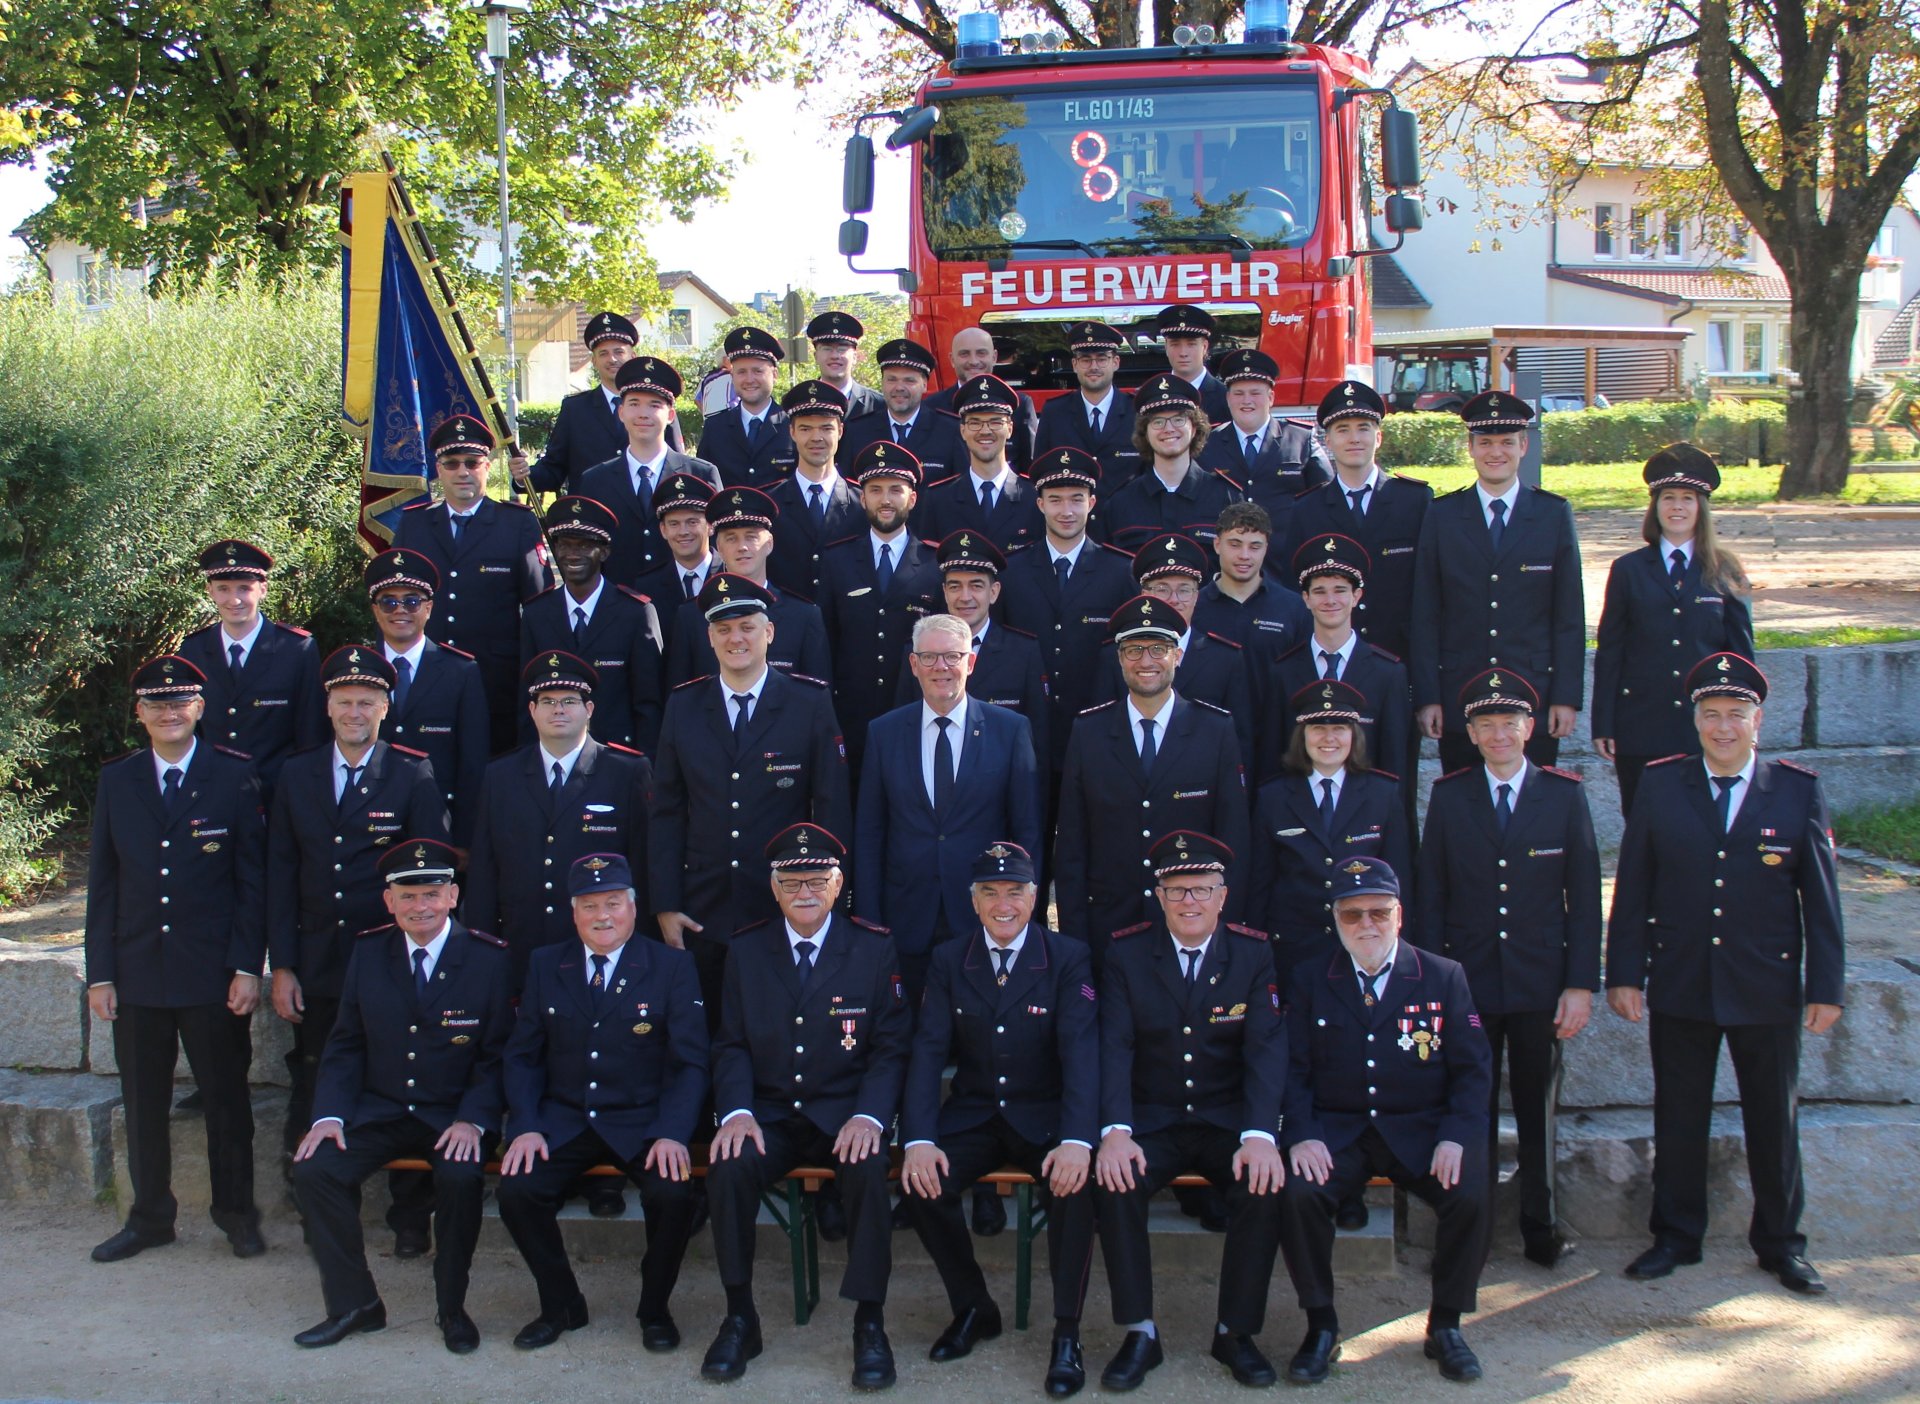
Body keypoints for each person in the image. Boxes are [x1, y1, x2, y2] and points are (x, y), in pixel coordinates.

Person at [1606, 652, 1844, 1296]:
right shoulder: (1661, 785)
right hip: (1682, 977)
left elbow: (1821, 902)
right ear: (1695, 721)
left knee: (1774, 1119)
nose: (1722, 727)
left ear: (1757, 720)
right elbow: (1634, 887)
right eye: (1710, 715)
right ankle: (1676, 1237)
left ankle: (1781, 1244)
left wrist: (1825, 987)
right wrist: (1623, 973)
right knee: (1678, 1115)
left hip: (1766, 985)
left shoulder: (1796, 790)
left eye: (1735, 715)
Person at [701, 826, 912, 1388]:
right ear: (774, 888)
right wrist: (736, 1111)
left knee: (868, 1169)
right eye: (792, 881)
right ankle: (740, 1315)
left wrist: (870, 1115)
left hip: (843, 1113)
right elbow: (731, 1044)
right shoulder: (746, 950)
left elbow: (890, 1046)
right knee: (727, 1168)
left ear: (838, 885)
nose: (805, 891)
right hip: (769, 1113)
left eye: (817, 879)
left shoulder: (872, 947)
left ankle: (870, 1323)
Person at [288, 839, 514, 1354]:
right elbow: (345, 1044)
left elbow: (497, 1054)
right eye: (408, 896)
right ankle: (355, 1304)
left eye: (432, 894)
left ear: (453, 896)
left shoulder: (488, 959)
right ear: (389, 901)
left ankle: (451, 1308)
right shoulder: (370, 952)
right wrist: (329, 1117)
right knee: (315, 1169)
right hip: (383, 1108)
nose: (421, 907)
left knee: (459, 1177)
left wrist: (475, 1121)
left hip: (451, 1115)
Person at [1276, 857, 1494, 1386]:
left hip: (1420, 1130)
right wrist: (1301, 1132)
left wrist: (1456, 1138)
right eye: (1352, 915)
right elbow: (1292, 1068)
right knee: (1300, 1195)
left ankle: (1446, 1325)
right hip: (1339, 1132)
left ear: (1400, 915)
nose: (1366, 924)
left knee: (1469, 1192)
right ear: (1335, 920)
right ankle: (1321, 1325)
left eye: (1378, 912)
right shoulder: (1310, 977)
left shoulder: (1442, 975)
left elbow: (1472, 1071)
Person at [1414, 667, 1601, 1267]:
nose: (1499, 734)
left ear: (1530, 729)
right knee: (1470, 1105)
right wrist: (1433, 982)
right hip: (1467, 982)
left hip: (1540, 982)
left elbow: (1583, 901)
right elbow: (1432, 896)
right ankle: (1473, 1226)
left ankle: (1540, 1225)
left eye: (1510, 722)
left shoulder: (1564, 794)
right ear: (1470, 732)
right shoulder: (1449, 795)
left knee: (1537, 1107)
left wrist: (1578, 985)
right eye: (1486, 723)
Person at [85, 655, 267, 1263]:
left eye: (180, 702)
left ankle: (236, 1214)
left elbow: (251, 882)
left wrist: (247, 966)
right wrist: (101, 974)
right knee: (142, 1104)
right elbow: (104, 885)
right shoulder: (118, 780)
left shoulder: (234, 776)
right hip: (136, 972)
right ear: (139, 714)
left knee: (226, 1102)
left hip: (212, 974)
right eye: (156, 704)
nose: (169, 711)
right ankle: (150, 1217)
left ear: (200, 709)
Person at [1092, 830, 1288, 1391]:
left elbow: (1265, 1049)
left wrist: (1259, 1134)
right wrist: (1115, 1131)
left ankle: (1235, 1331)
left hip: (1225, 1119)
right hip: (1151, 1119)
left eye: (1202, 889)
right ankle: (1140, 1333)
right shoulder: (1128, 952)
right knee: (1116, 1182)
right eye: (1176, 891)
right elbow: (1115, 1046)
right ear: (1158, 896)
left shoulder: (1252, 953)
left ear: (1223, 896)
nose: (1190, 902)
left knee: (1263, 1184)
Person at [900, 841, 1098, 1397]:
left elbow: (1083, 1054)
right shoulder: (948, 958)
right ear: (974, 900)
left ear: (1034, 899)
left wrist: (1079, 1140)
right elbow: (927, 1051)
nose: (1003, 904)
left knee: (1077, 1190)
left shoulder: (1068, 957)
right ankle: (973, 1306)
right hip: (975, 1114)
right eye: (991, 892)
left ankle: (1066, 1332)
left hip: (1045, 1118)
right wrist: (917, 1137)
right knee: (921, 1184)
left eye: (1015, 892)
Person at [495, 852, 708, 1351]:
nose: (603, 916)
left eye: (613, 902)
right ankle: (561, 1304)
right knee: (517, 1191)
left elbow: (690, 1062)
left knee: (672, 1194)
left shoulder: (672, 967)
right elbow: (522, 1056)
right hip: (565, 1118)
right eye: (590, 906)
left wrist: (673, 1131)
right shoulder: (547, 963)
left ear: (634, 908)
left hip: (642, 1121)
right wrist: (524, 1124)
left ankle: (654, 1307)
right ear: (574, 913)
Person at [267, 648, 449, 1195]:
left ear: (385, 707)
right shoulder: (295, 774)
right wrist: (283, 965)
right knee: (316, 1068)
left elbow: (430, 875)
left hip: (393, 957)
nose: (354, 712)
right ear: (327, 706)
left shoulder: (411, 771)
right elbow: (281, 873)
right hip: (318, 957)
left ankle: (410, 1212)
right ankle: (310, 1194)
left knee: (404, 1078)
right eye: (344, 701)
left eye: (366, 702)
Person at [650, 574, 853, 1023]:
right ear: (709, 636)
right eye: (723, 629)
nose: (735, 638)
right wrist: (666, 904)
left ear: (770, 633)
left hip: (783, 905)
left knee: (779, 1031)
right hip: (704, 909)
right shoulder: (684, 706)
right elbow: (665, 812)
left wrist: (828, 901)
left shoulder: (808, 702)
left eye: (746, 626)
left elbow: (831, 806)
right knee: (706, 1033)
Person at [855, 612, 1043, 1005]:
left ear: (970, 662)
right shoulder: (883, 732)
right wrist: (869, 918)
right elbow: (870, 832)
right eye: (929, 657)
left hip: (984, 914)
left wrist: (1021, 908)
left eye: (952, 657)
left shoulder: (1010, 730)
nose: (941, 667)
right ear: (913, 665)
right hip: (905, 913)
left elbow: (1027, 830)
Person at [1054, 595, 1249, 972]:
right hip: (1109, 923)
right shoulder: (1089, 731)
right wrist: (1074, 937)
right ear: (1119, 658)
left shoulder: (1215, 730)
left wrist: (1225, 926)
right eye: (1134, 649)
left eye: (1158, 649)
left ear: (1177, 656)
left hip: (1190, 925)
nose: (1146, 661)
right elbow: (1073, 847)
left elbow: (1232, 835)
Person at [1411, 390, 1585, 772]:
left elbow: (1569, 615)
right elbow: (1425, 613)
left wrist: (1566, 698)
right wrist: (1427, 697)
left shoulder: (1552, 514)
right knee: (1463, 807)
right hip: (1459, 695)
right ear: (1470, 448)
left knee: (1535, 813)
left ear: (1523, 445)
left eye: (1507, 441)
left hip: (1534, 695)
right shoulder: (1442, 515)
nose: (1496, 452)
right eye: (1485, 442)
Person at [462, 651, 653, 987]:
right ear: (532, 710)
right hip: (521, 943)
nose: (559, 709)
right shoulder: (500, 776)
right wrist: (482, 945)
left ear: (589, 710)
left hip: (602, 946)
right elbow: (484, 870)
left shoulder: (627, 772)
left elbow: (643, 861)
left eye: (569, 700)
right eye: (547, 701)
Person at [1593, 444, 1755, 816]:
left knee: (1703, 822)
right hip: (1640, 723)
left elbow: (1742, 655)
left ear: (1701, 508)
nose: (1677, 507)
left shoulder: (1725, 570)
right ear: (1655, 506)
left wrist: (1742, 720)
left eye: (1688, 498)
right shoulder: (1628, 570)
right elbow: (1611, 651)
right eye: (1668, 497)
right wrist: (1604, 723)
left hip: (1706, 727)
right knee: (1643, 819)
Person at [1000, 448, 1138, 842]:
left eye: (1076, 499)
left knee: (1095, 845)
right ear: (1039, 503)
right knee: (1028, 843)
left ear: (1092, 503)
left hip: (1097, 733)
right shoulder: (1013, 571)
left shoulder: (1120, 571)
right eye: (1056, 499)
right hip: (1027, 733)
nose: (1066, 510)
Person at [392, 414, 551, 753]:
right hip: (428, 676)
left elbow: (540, 606)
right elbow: (394, 602)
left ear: (488, 466)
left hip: (496, 679)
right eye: (451, 463)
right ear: (438, 469)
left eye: (472, 462)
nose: (462, 472)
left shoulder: (517, 524)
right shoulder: (414, 525)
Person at [1248, 679, 1412, 976]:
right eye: (1318, 728)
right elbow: (1259, 882)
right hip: (1293, 948)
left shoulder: (1382, 794)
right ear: (1303, 735)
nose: (1329, 738)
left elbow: (1401, 879)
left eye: (1340, 728)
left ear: (1354, 735)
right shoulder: (1273, 796)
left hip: (1364, 947)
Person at [815, 441, 942, 786]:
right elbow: (824, 638)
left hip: (914, 710)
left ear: (912, 499)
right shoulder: (838, 560)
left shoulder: (935, 564)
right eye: (875, 490)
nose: (885, 500)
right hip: (851, 713)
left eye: (895, 490)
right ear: (862, 498)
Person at [1282, 381, 1432, 661]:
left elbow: (1429, 591)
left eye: (1363, 428)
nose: (1354, 438)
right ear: (1327, 441)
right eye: (1343, 430)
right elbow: (1296, 591)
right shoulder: (1306, 509)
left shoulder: (1415, 501)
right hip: (1331, 658)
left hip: (1400, 658)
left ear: (1378, 437)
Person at [1089, 532, 1257, 770]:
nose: (1174, 600)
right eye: (1162, 589)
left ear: (1197, 596)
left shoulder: (1225, 658)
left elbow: (1241, 746)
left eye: (1184, 590)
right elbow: (1101, 734)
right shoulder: (1114, 656)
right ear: (1144, 594)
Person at [1265, 533, 1413, 799]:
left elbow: (1397, 765)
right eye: (1320, 591)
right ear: (1306, 599)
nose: (1330, 600)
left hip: (1368, 814)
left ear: (1357, 596)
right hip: (1299, 810)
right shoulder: (1283, 672)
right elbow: (1273, 758)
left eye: (1340, 590)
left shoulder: (1388, 675)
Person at [364, 549, 490, 855]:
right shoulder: (358, 670)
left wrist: (464, 837)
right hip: (367, 821)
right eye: (389, 601)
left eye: (411, 601)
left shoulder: (461, 671)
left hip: (437, 820)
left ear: (429, 608)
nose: (400, 610)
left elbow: (473, 763)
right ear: (375, 609)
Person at [519, 495, 667, 753]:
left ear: (605, 551)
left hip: (619, 758)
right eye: (565, 545)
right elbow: (526, 698)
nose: (573, 554)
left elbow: (649, 703)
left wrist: (647, 767)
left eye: (585, 545)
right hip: (553, 757)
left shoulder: (635, 613)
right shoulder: (536, 613)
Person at [891, 530, 1050, 769]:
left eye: (976, 586)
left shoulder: (1023, 652)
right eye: (955, 586)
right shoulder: (918, 650)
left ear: (993, 592)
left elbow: (1037, 742)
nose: (965, 597)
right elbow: (904, 732)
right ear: (944, 592)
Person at [177, 538, 325, 793]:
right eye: (223, 588)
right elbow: (191, 731)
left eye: (244, 588)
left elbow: (311, 733)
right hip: (213, 792)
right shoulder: (194, 650)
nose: (234, 600)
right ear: (210, 591)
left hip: (276, 793)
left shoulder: (296, 649)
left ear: (262, 590)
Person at [576, 356, 723, 588]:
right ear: (621, 412)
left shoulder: (701, 473)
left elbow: (719, 545)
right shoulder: (595, 481)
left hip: (686, 603)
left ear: (671, 415)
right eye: (634, 404)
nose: (643, 414)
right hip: (620, 605)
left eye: (654, 405)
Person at [665, 484, 833, 686]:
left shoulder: (804, 617)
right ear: (719, 547)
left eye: (751, 537)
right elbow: (680, 702)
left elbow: (817, 705)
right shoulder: (691, 617)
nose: (742, 547)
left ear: (769, 543)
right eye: (731, 538)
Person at [508, 310, 684, 495]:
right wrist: (525, 476)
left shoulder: (658, 406)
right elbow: (554, 470)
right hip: (592, 516)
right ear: (593, 361)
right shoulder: (575, 409)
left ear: (632, 356)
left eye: (618, 352)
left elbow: (676, 465)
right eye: (603, 354)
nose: (612, 359)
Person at [1094, 375, 1245, 557]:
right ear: (1145, 432)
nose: (1169, 429)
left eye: (1179, 419)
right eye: (1158, 422)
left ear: (1195, 428)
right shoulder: (1120, 503)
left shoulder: (1227, 498)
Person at [1196, 347, 1330, 540]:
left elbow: (1325, 499)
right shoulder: (1207, 444)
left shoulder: (1301, 440)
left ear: (1271, 398)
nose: (1247, 401)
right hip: (1228, 561)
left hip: (1286, 557)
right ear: (1227, 398)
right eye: (1239, 393)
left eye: (1255, 393)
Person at [911, 374, 1045, 553]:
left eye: (995, 422)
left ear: (1010, 428)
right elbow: (928, 568)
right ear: (962, 430)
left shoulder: (1035, 497)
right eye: (975, 423)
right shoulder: (939, 500)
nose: (985, 431)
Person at [1188, 501, 1314, 676]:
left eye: (1255, 547)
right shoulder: (1193, 607)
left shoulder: (1294, 608)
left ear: (1266, 549)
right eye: (1235, 544)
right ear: (1217, 545)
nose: (1244, 555)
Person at [766, 379, 865, 597]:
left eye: (826, 427)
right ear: (791, 432)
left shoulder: (864, 503)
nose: (816, 437)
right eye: (805, 428)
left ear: (840, 430)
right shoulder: (769, 505)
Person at [1033, 321, 1141, 496]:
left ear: (1116, 362)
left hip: (1127, 520)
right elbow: (1040, 473)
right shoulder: (1054, 413)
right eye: (1086, 360)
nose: (1094, 367)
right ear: (1074, 364)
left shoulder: (1137, 412)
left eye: (1101, 358)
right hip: (1072, 519)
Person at [838, 337, 967, 482]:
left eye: (909, 380)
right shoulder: (857, 431)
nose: (899, 387)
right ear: (882, 383)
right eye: (892, 379)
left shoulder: (950, 430)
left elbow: (960, 489)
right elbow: (849, 490)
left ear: (924, 385)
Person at [923, 326, 1040, 471]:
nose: (974, 361)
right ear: (952, 360)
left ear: (994, 357)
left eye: (981, 353)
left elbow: (1031, 466)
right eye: (964, 354)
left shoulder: (1020, 405)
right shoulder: (931, 407)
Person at [631, 471, 720, 653]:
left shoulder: (733, 576)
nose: (683, 531)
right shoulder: (646, 588)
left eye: (692, 522)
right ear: (663, 530)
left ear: (710, 526)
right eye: (674, 524)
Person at [699, 326, 797, 488]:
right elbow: (704, 485)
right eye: (741, 372)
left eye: (758, 371)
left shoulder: (793, 425)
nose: (749, 379)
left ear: (774, 375)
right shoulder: (715, 427)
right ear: (732, 376)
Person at [1153, 304, 1231, 421]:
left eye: (1191, 344)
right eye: (1175, 344)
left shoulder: (1226, 398)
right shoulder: (1152, 397)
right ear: (1166, 347)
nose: (1183, 353)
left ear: (1204, 347)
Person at [806, 309, 885, 423]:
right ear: (816, 356)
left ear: (854, 357)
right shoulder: (801, 402)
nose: (834, 356)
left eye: (842, 349)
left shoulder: (878, 405)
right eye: (827, 349)